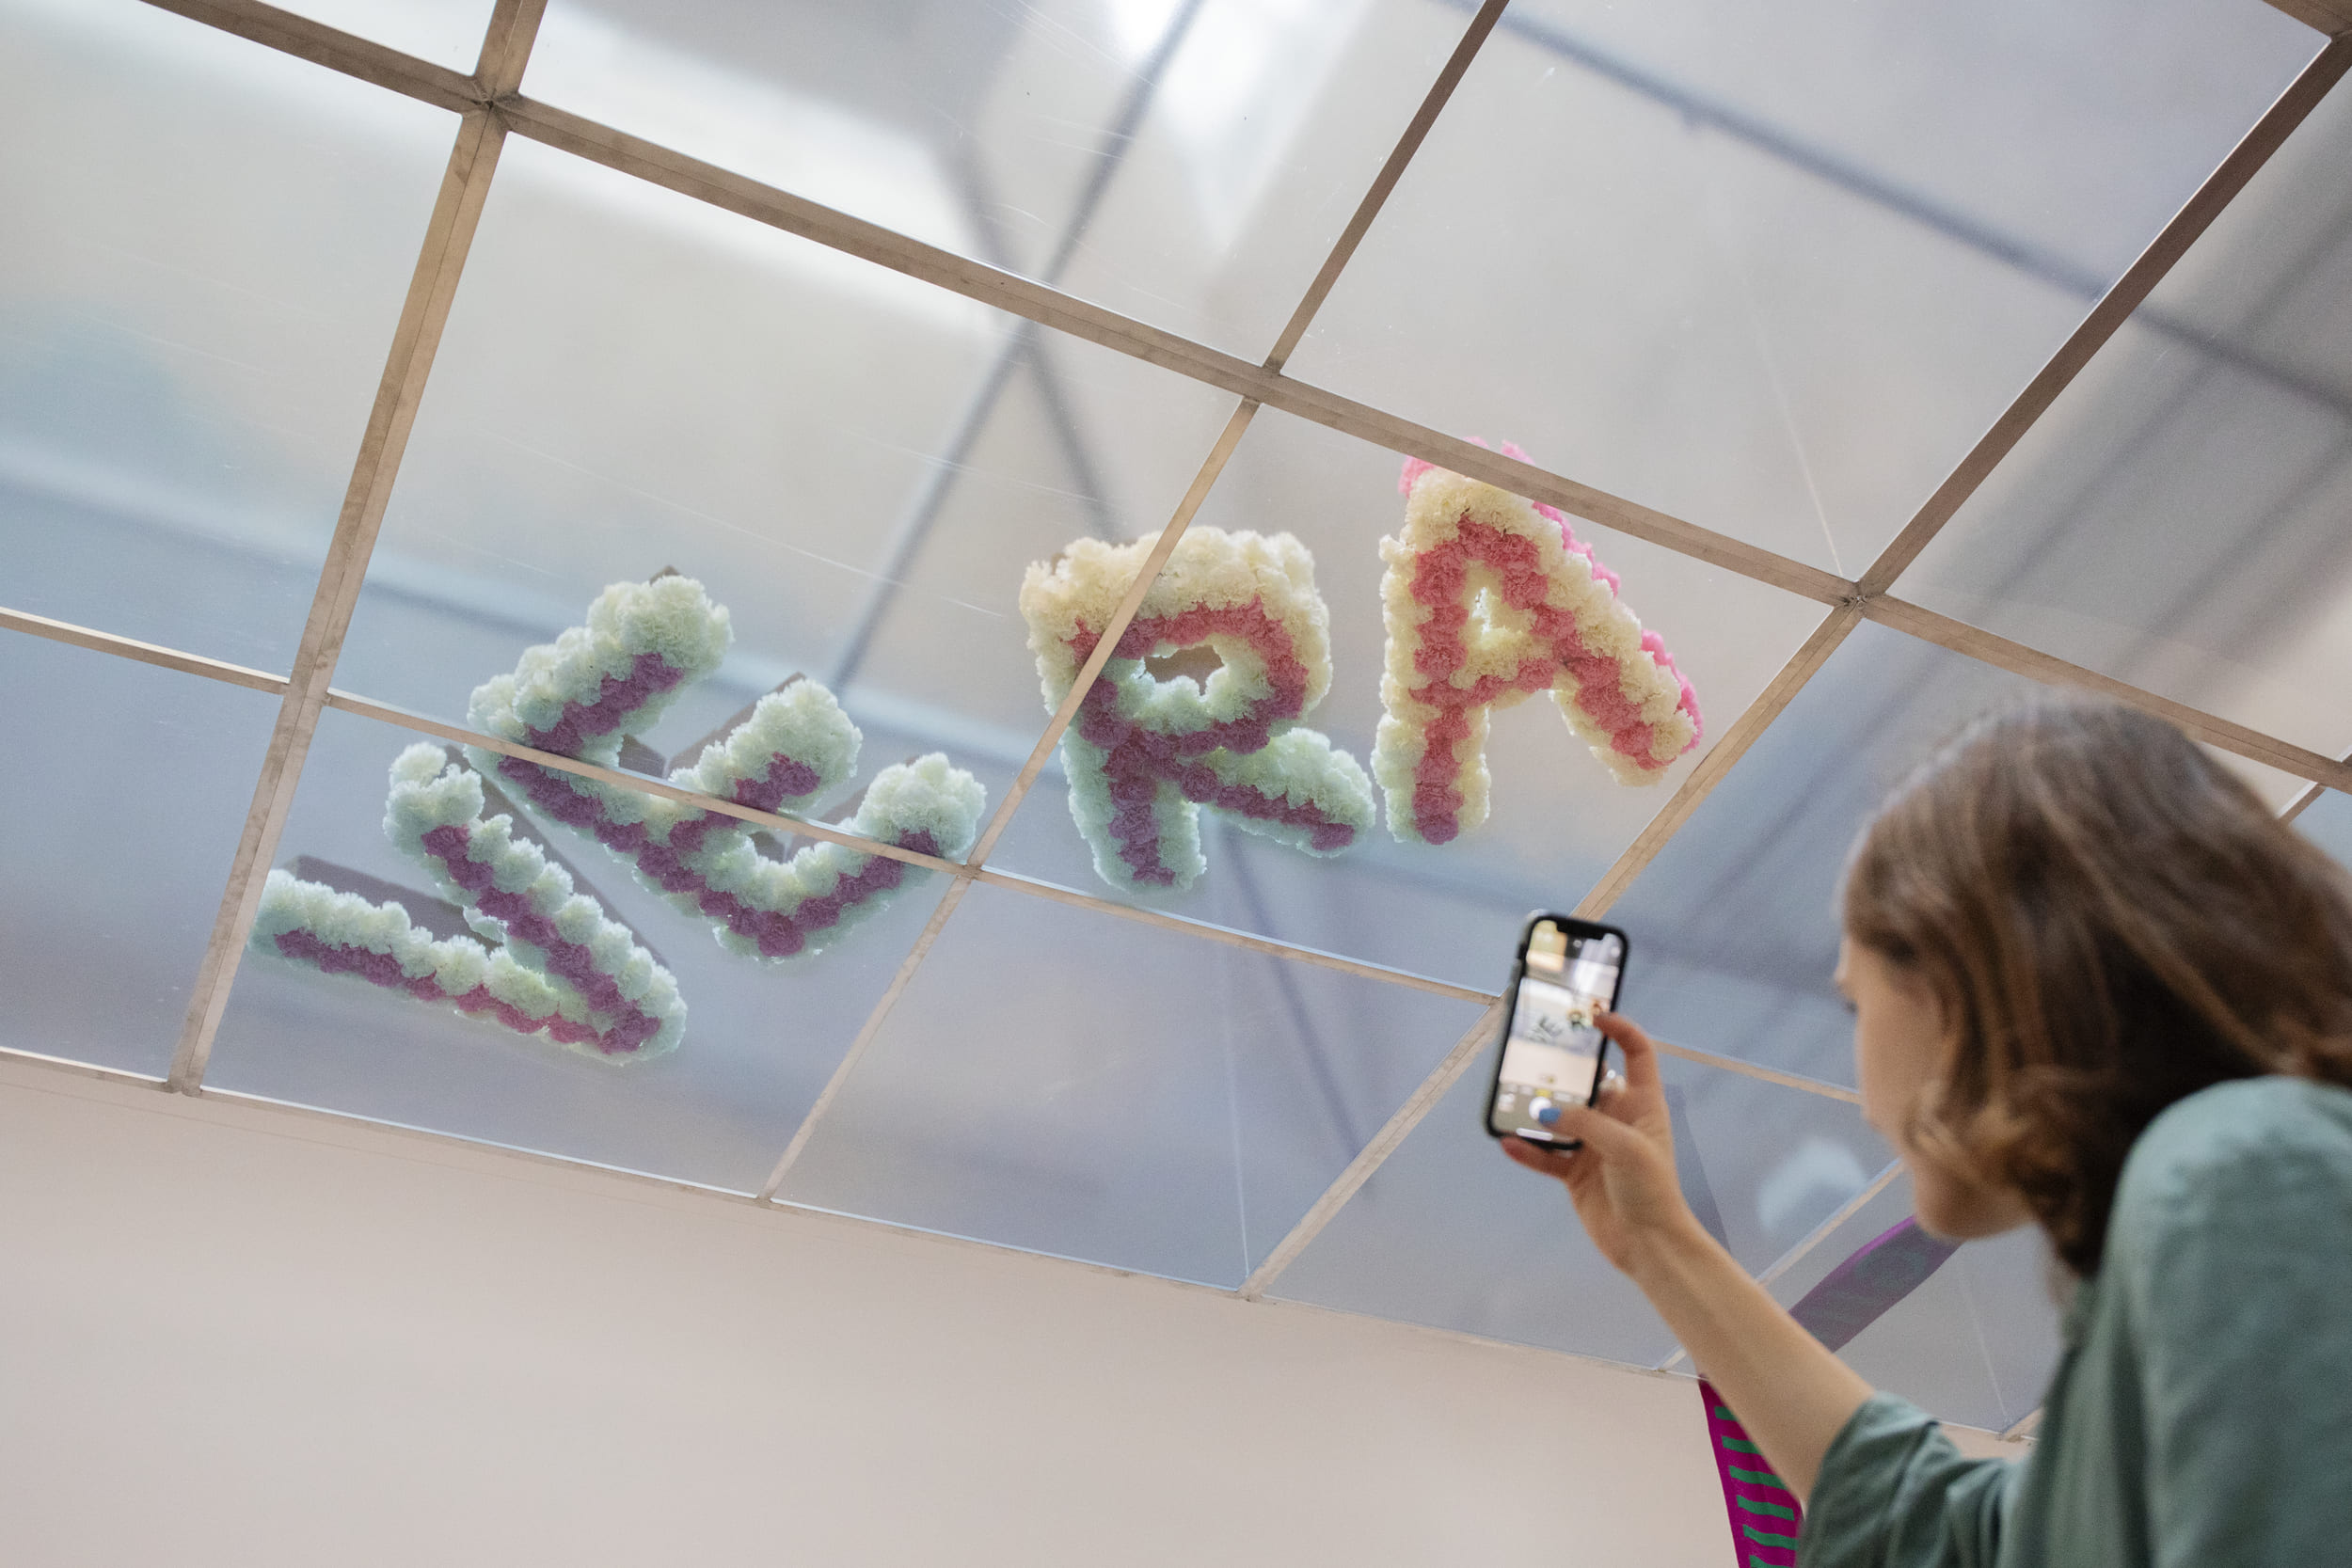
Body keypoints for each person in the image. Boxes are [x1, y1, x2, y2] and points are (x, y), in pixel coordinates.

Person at [1502, 697, 2352, 1566]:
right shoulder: (2236, 1201)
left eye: (1852, 1001)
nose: (1866, 1099)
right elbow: (1948, 1535)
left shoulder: (2240, 1169)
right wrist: (1659, 1240)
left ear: (1957, 966)